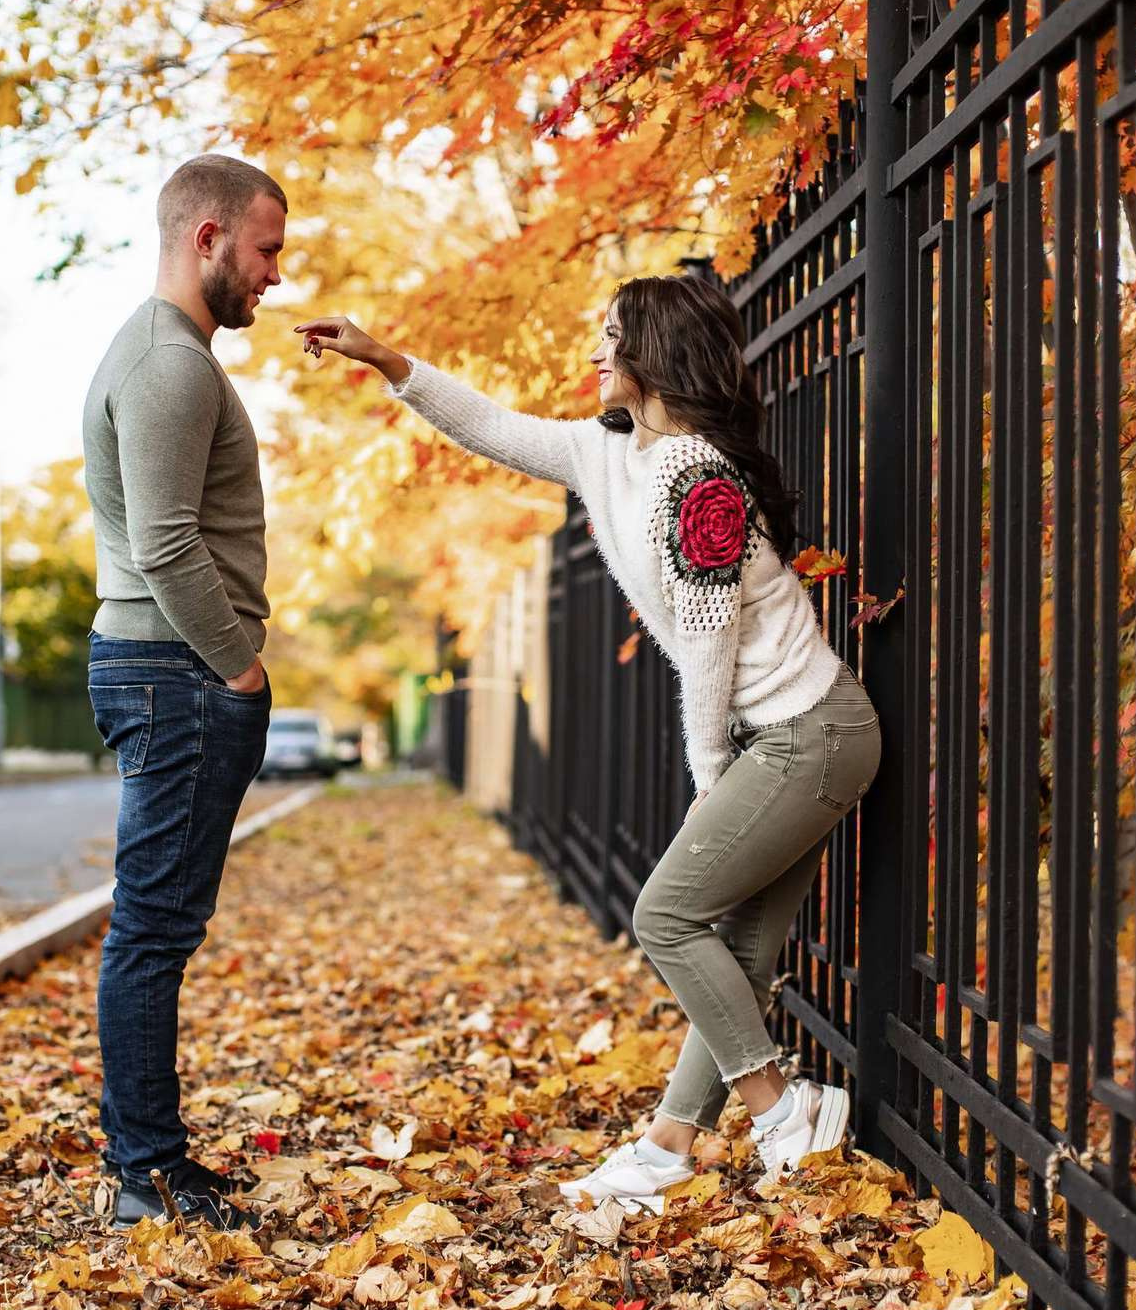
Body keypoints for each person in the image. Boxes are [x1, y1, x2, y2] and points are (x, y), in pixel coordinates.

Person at [294, 274, 882, 1214]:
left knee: (665, 918)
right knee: (735, 948)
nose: (596, 353)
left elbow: (707, 644)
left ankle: (781, 1112)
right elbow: (489, 424)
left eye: (612, 337)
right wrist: (384, 358)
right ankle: (667, 1150)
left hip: (809, 734)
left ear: (654, 354)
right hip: (788, 737)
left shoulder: (698, 478)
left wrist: (709, 776)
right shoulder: (610, 454)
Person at [82, 154, 284, 1231]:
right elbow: (164, 540)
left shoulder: (167, 354)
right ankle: (144, 1175)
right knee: (153, 930)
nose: (272, 275)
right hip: (176, 669)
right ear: (205, 237)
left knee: (157, 927)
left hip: (167, 667)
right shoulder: (169, 364)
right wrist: (237, 666)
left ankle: (149, 1159)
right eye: (263, 250)